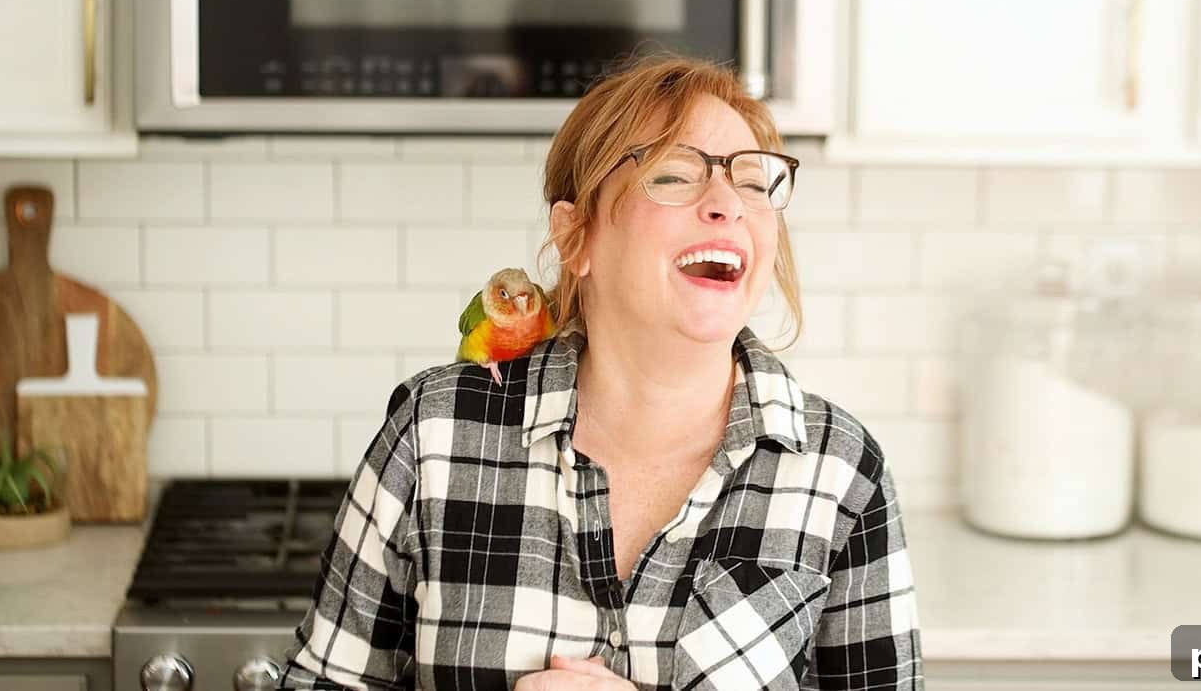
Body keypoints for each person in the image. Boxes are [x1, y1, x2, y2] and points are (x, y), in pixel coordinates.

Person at [278, 56, 922, 690]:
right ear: (575, 237)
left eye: (755, 182)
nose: (729, 203)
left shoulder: (839, 471)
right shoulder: (435, 432)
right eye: (674, 174)